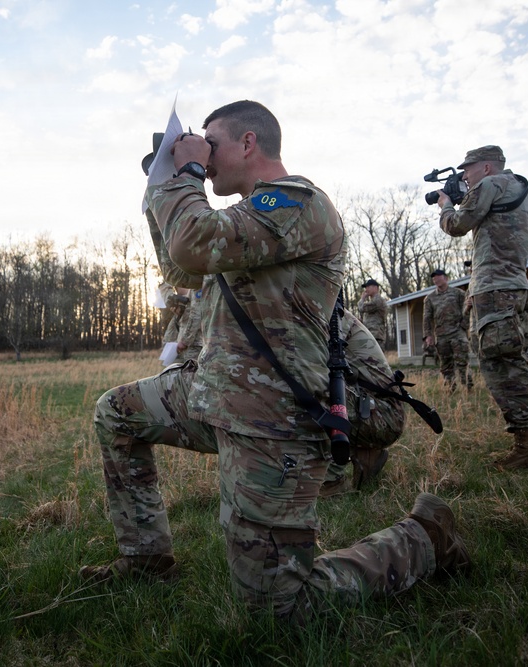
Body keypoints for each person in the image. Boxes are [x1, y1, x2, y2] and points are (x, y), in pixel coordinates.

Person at [83, 100, 469, 619]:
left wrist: (189, 173)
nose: (205, 154)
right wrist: (162, 183)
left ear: (248, 143)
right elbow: (183, 270)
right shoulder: (246, 222)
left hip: (274, 415)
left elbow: (194, 242)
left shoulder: (296, 201)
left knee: (278, 610)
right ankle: (146, 557)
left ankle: (425, 537)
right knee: (117, 412)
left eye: (210, 142)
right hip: (215, 393)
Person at [436, 145, 528, 470]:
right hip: (515, 286)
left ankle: (527, 448)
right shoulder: (524, 188)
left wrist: (444, 206)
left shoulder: (489, 185)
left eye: (468, 169)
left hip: (496, 291)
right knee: (512, 362)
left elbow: (457, 224)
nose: (465, 176)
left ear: (485, 168)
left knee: (500, 367)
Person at [320, 309, 406, 497]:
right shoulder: (322, 306)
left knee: (309, 391)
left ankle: (331, 481)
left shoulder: (324, 313)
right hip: (374, 409)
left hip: (383, 414)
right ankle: (367, 456)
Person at [422, 269, 472, 391]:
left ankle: (468, 388)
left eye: (438, 276)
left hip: (457, 333)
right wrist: (428, 336)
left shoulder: (459, 293)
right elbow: (427, 318)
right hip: (441, 335)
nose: (436, 279)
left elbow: (468, 309)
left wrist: (463, 327)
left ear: (446, 278)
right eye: (434, 278)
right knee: (446, 364)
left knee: (462, 362)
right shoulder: (430, 298)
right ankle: (451, 388)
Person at [175, 280, 204, 363]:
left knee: (191, 372)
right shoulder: (193, 287)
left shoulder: (197, 286)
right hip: (191, 343)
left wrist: (185, 341)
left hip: (194, 344)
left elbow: (196, 315)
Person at [357, 279, 388, 348]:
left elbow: (361, 308)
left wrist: (362, 299)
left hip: (376, 336)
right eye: (366, 287)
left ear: (375, 288)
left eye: (368, 287)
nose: (366, 289)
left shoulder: (378, 300)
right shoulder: (373, 300)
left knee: (376, 358)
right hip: (371, 336)